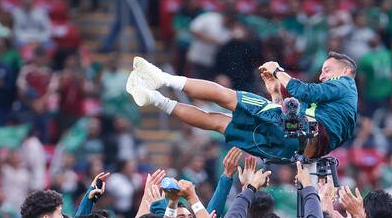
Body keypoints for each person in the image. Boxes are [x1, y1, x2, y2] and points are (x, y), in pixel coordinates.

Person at [126, 52, 358, 162]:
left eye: (327, 70)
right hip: (289, 151)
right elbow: (287, 127)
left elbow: (303, 92)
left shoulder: (346, 84)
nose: (322, 75)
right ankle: (153, 98)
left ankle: (162, 79)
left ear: (346, 71)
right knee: (219, 123)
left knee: (228, 97)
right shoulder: (335, 109)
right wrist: (275, 93)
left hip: (303, 134)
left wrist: (278, 71)